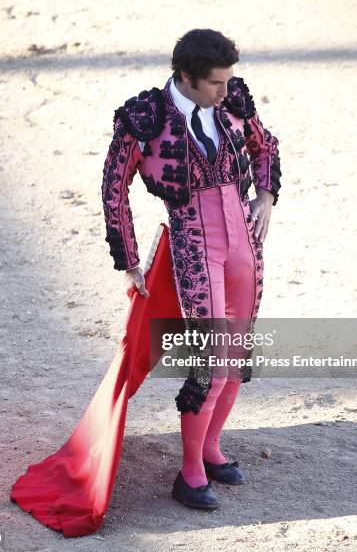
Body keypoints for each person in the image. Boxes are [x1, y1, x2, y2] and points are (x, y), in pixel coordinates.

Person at [101, 28, 281, 510]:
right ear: (187, 77)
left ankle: (210, 447)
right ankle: (189, 471)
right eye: (216, 83)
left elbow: (266, 146)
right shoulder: (144, 117)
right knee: (211, 361)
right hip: (194, 243)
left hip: (245, 241)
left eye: (228, 81)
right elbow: (114, 190)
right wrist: (129, 260)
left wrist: (265, 196)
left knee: (237, 354)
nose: (227, 91)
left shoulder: (234, 100)